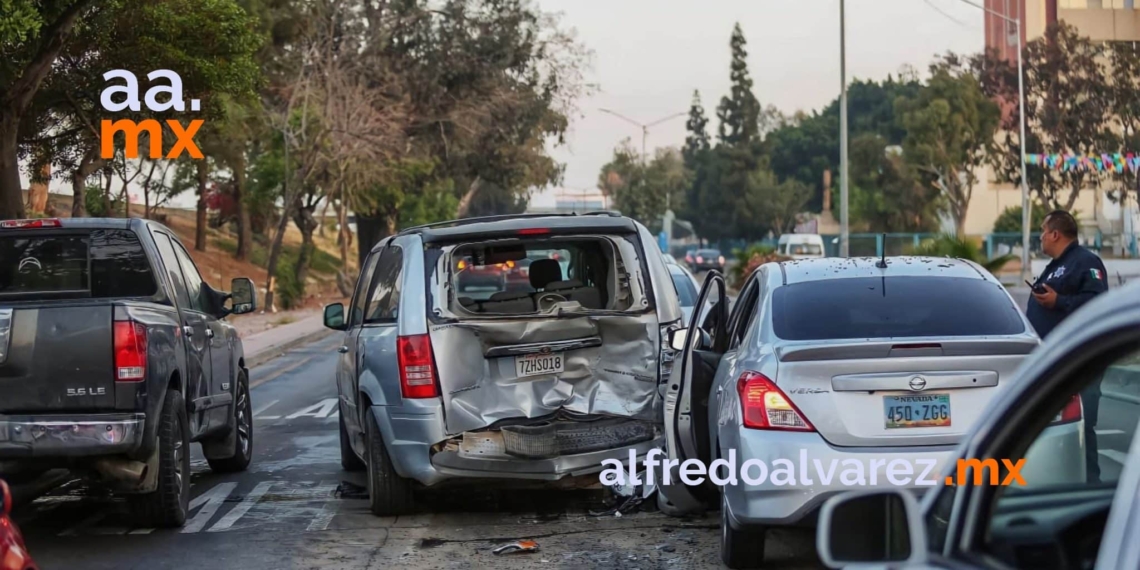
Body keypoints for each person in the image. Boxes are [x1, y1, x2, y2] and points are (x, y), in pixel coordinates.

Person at [1026, 210, 1109, 482]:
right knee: (1055, 430)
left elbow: (1098, 303)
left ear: (1055, 234)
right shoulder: (1053, 266)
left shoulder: (1085, 262)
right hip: (1053, 363)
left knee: (1081, 429)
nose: (1040, 236)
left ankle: (1090, 490)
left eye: (1042, 230)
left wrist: (1059, 302)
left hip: (1080, 361)